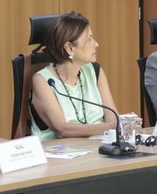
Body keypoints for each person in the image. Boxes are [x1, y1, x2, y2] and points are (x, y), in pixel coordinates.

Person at [30, 12, 140, 141]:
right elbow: (62, 129)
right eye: (89, 39)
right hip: (61, 153)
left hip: (99, 148)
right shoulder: (43, 81)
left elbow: (112, 117)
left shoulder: (95, 70)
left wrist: (126, 123)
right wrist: (115, 126)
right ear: (69, 48)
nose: (96, 44)